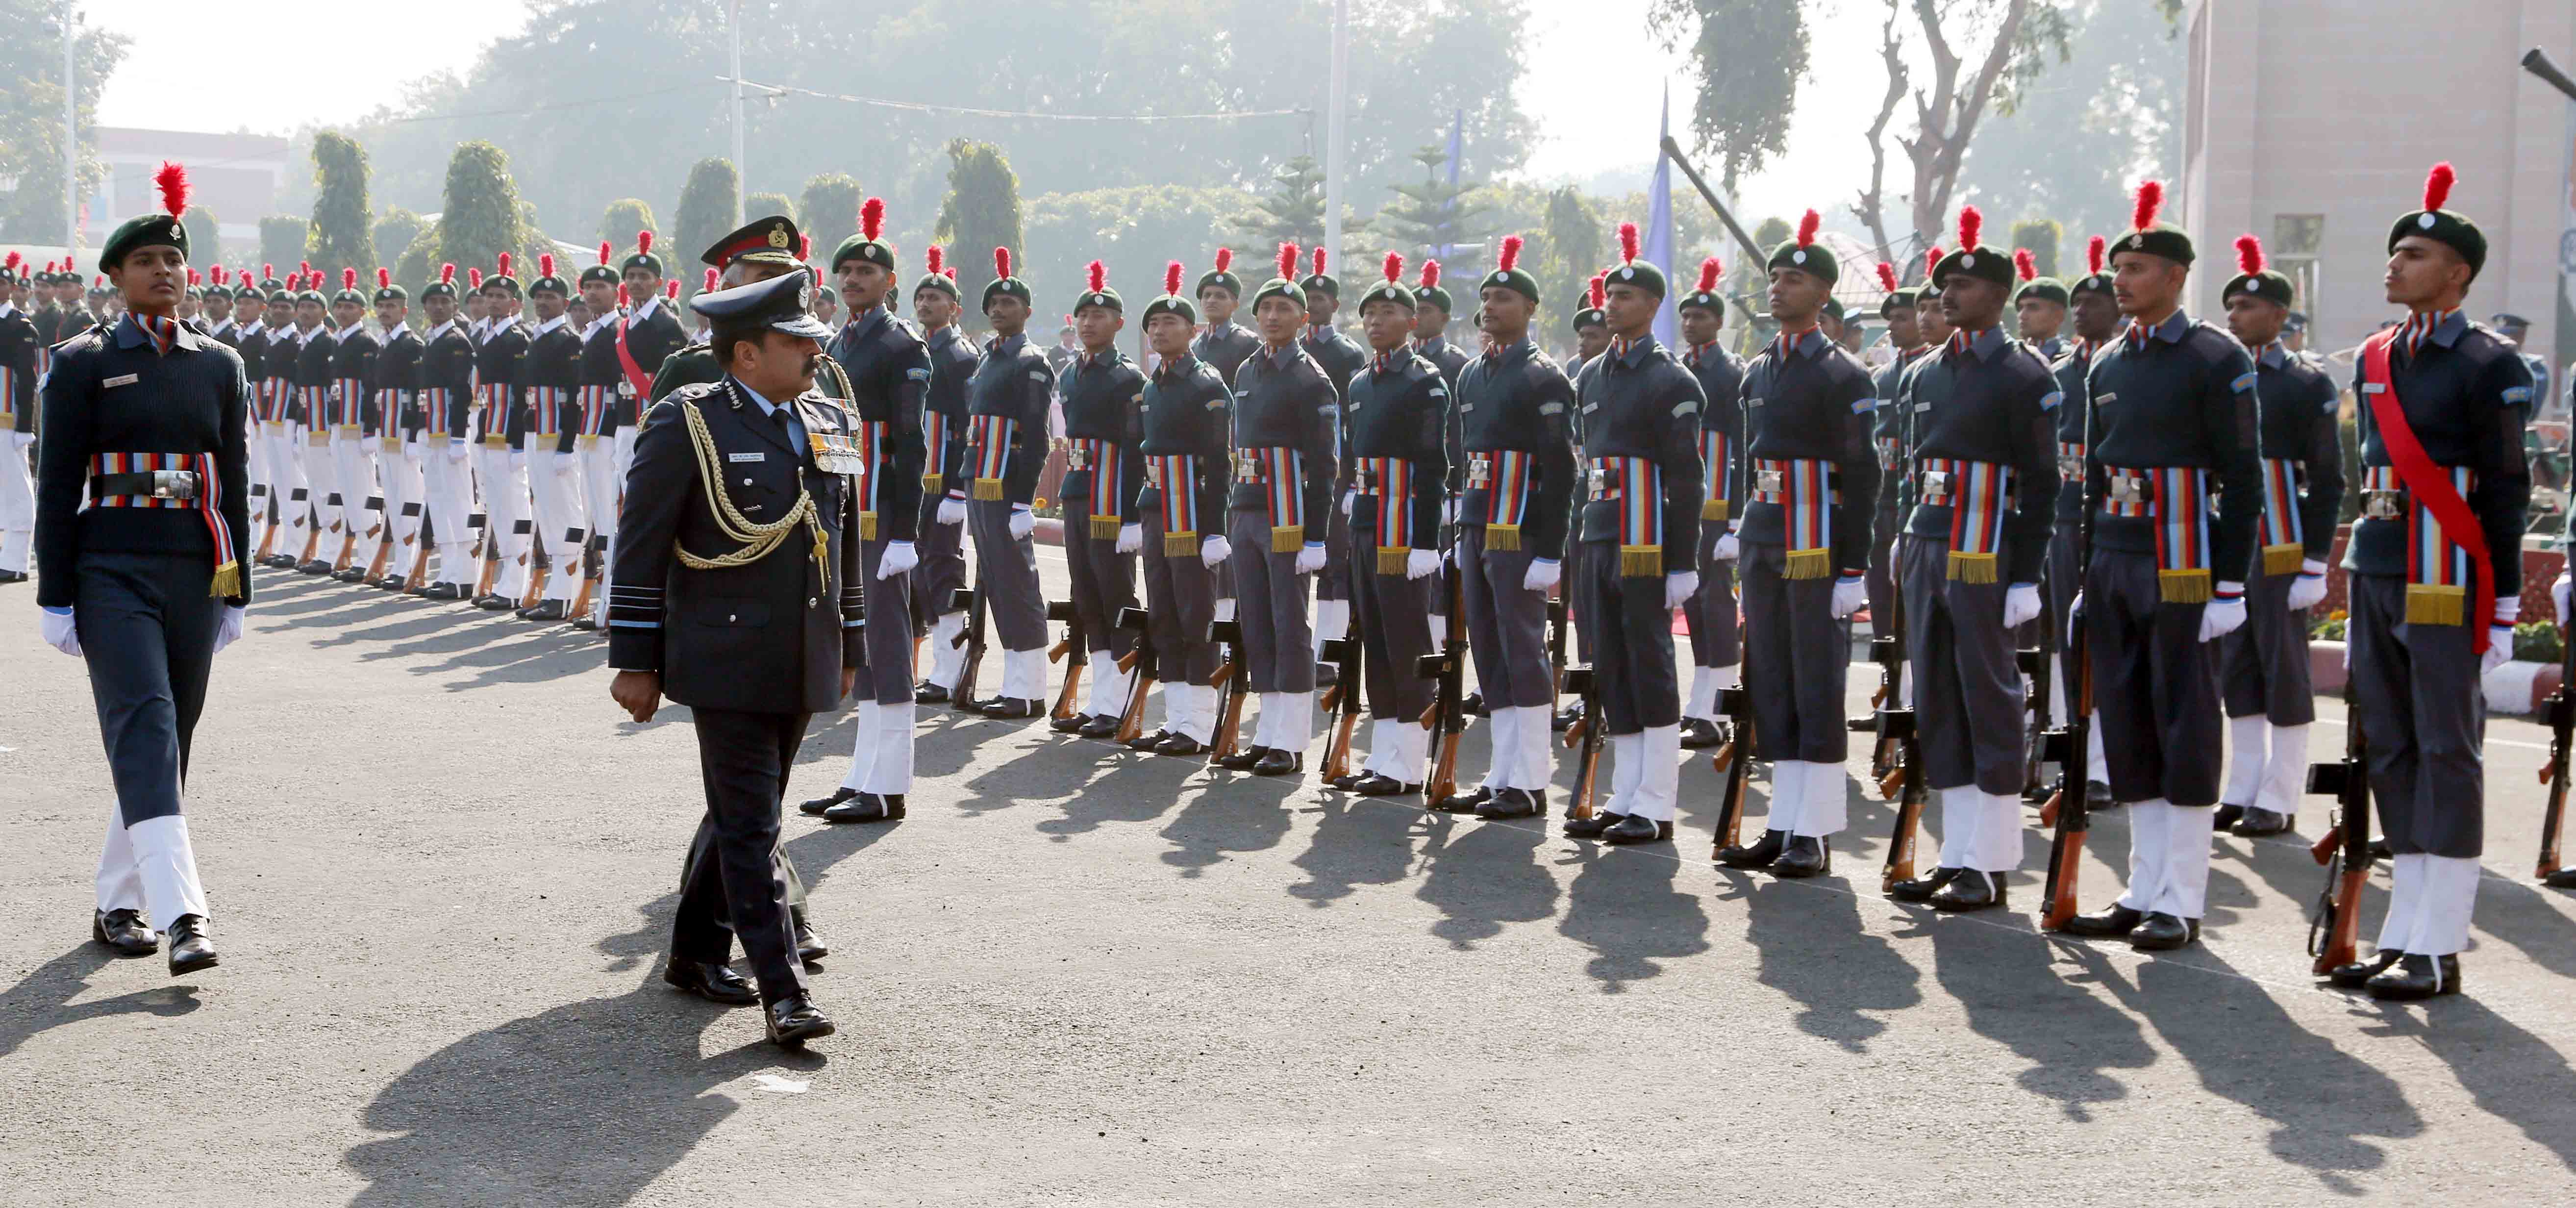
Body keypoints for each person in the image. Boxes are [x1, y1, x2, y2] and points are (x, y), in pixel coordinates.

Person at [606, 268, 854, 1047]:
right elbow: (641, 543)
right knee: (752, 824)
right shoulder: (689, 423)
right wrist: (635, 659)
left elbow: (840, 538)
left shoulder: (824, 417)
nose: (815, 351)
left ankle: (691, 950)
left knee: (747, 812)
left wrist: (849, 634)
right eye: (796, 341)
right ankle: (785, 991)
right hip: (725, 650)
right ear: (747, 354)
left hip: (802, 646)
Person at [33, 164, 247, 974]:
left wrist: (238, 585)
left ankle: (117, 899)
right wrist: (56, 593)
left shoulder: (219, 365)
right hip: (109, 567)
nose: (166, 271)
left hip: (194, 570)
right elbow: (57, 486)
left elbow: (235, 479)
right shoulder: (83, 362)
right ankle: (183, 911)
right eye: (147, 260)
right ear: (118, 278)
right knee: (147, 725)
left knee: (169, 740)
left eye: (175, 260)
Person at [2329, 165, 2531, 997]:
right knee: (2392, 742)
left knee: (2449, 747)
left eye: (2412, 254)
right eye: (2392, 253)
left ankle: (2440, 940)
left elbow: (2509, 486)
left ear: (2457, 272)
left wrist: (2509, 601)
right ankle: (2403, 924)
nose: (2394, 264)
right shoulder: (2377, 356)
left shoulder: (2491, 364)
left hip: (2449, 572)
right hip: (2378, 564)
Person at [2059, 181, 2262, 953]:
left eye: (2136, 267)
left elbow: (2241, 477)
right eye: (2117, 267)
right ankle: (2142, 888)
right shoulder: (2106, 361)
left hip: (2180, 564)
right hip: (2113, 558)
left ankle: (2180, 897)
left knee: (2182, 726)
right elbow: (2090, 480)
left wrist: (2230, 583)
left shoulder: (2213, 356)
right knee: (2129, 721)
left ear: (2175, 276)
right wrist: (2084, 576)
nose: (2120, 279)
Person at [1880, 207, 2060, 911]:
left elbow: (2042, 483)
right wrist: (1902, 532)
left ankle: (1988, 862)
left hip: (1985, 550)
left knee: (1985, 696)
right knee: (1936, 698)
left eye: (1964, 285)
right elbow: (1906, 469)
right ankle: (1954, 853)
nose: (1947, 296)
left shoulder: (2023, 375)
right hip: (1928, 543)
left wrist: (2024, 575)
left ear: (1999, 295)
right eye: (1941, 285)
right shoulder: (1923, 373)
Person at [1714, 211, 1877, 870]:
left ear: (1823, 294)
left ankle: (1812, 831)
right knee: (1771, 679)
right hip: (1764, 533)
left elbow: (1863, 475)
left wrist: (1852, 568)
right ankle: (1781, 822)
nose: (1777, 288)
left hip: (1815, 540)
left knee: (1815, 680)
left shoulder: (1843, 375)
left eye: (1793, 279)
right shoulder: (1758, 370)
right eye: (1774, 278)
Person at [1565, 223, 1707, 845]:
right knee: (1610, 665)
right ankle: (1623, 795)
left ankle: (1654, 801)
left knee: (1650, 664)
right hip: (1600, 533)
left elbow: (1686, 478)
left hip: (1647, 539)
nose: (1612, 305)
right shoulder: (1592, 375)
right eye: (1609, 296)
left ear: (1653, 306)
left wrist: (1682, 561)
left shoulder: (1672, 380)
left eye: (1626, 298)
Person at [801, 199, 933, 823]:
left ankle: (889, 784)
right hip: (848, 510)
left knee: (886, 644)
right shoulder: (840, 340)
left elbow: (911, 443)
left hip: (883, 513)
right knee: (859, 644)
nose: (853, 280)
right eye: (846, 271)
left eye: (866, 272)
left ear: (890, 283)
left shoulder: (901, 343)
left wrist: (906, 531)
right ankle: (862, 774)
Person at [1434, 238, 1576, 817]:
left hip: (1518, 532)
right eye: (1487, 297)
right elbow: (1465, 456)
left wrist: (1550, 549)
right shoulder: (1472, 374)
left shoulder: (1542, 377)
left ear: (1530, 309)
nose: (1491, 306)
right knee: (1488, 653)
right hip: (1478, 526)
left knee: (1522, 650)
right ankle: (1500, 774)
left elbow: (1560, 468)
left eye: (1505, 298)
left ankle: (1530, 778)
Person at [2213, 236, 2341, 840]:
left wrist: (2315, 561)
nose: (2234, 316)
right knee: (2236, 666)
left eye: (2246, 306)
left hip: (2281, 546)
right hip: (2226, 543)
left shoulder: (2305, 383)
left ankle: (2281, 792)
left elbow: (2327, 476)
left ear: (2279, 317)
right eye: (2230, 305)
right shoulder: (2217, 378)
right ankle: (2243, 786)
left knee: (2283, 667)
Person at [1210, 245, 1338, 777]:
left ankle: (1290, 738)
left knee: (1289, 623)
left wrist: (1314, 535)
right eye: (1264, 309)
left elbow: (1324, 464)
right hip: (1245, 509)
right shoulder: (1247, 369)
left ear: (1303, 318)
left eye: (1283, 309)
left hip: (1286, 515)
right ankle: (1264, 731)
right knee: (1256, 622)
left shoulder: (1311, 379)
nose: (1271, 316)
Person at [1328, 252, 1449, 794]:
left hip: (1404, 522)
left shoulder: (1423, 381)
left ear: (1411, 319)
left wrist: (1426, 540)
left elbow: (1432, 463)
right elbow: (1353, 453)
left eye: (1388, 311)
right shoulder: (1359, 382)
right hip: (1368, 519)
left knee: (1404, 637)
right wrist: (1352, 497)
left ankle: (1407, 762)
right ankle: (1383, 756)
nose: (1376, 321)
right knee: (1373, 637)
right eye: (1369, 313)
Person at [1127, 265, 1234, 755]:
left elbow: (1219, 462)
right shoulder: (1153, 385)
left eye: (1169, 324)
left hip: (1190, 513)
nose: (1158, 331)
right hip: (1156, 510)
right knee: (1163, 617)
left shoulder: (1206, 384)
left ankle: (1200, 723)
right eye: (1152, 325)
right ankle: (1176, 719)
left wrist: (1214, 529)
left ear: (1192, 332)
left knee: (1196, 616)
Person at [1050, 260, 1149, 738]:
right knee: (1086, 594)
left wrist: (1132, 515)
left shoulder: (1126, 378)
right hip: (1077, 491)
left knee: (1115, 592)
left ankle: (1120, 697)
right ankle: (1101, 695)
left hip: (1112, 497)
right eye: (1083, 315)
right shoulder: (1069, 375)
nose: (1089, 322)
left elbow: (1135, 448)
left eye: (1100, 315)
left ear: (1119, 325)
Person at [960, 248, 1057, 718]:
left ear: (1027, 312)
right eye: (994, 304)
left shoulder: (1029, 361)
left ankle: (1028, 690)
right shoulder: (988, 357)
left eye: (1010, 304)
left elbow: (1036, 436)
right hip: (979, 479)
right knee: (996, 583)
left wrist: (1023, 502)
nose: (1000, 310)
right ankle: (1013, 684)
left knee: (1017, 584)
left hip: (1005, 483)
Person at [2047, 240, 2119, 810]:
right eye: (2076, 302)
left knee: (2106, 649)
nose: (2082, 310)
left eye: (2093, 302)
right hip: (2060, 520)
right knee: (2061, 647)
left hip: (2113, 525)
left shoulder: (2123, 365)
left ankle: (2104, 764)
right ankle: (2066, 754)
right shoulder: (2055, 374)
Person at [1675, 256, 1746, 751]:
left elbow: (1744, 447)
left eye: (1700, 317)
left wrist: (1738, 517)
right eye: (1685, 317)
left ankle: (1719, 707)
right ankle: (1701, 701)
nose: (1690, 324)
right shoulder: (1678, 371)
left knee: (1716, 605)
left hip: (1718, 508)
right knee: (1694, 609)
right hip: (1683, 506)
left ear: (1718, 323)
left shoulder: (1731, 373)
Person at [908, 246, 979, 705]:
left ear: (954, 308)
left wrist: (957, 489)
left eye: (936, 298)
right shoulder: (916, 350)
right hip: (915, 481)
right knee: (919, 573)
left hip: (943, 481)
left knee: (942, 569)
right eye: (921, 297)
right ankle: (935, 666)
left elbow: (969, 428)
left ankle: (951, 668)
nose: (926, 304)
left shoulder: (960, 356)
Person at [1301, 250, 1367, 681]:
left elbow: (1356, 419)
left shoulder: (1347, 353)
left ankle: (1330, 652)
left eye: (1321, 299)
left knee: (1333, 565)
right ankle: (1298, 648)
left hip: (1335, 466)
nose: (1314, 304)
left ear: (1335, 306)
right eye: (1308, 297)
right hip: (1292, 470)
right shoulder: (1290, 349)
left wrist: (1352, 480)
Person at [513, 256, 587, 620]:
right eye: (538, 297)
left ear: (564, 302)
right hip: (535, 430)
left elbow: (575, 397)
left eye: (550, 297)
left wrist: (566, 446)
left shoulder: (567, 340)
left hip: (556, 430)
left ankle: (565, 591)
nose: (543, 302)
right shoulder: (537, 337)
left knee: (563, 511)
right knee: (545, 509)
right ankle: (555, 587)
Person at [1862, 262, 1926, 653]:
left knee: (1912, 599)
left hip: (1915, 500)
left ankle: (1912, 690)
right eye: (1891, 320)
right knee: (1881, 597)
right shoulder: (1880, 377)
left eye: (1903, 318)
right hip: (1881, 501)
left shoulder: (1930, 370)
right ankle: (1889, 689)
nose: (1895, 327)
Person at [470, 259, 534, 608]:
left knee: (512, 506)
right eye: (489, 296)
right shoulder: (484, 335)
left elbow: (523, 393)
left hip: (508, 434)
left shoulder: (516, 338)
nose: (493, 302)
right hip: (486, 430)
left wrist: (520, 443)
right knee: (495, 504)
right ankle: (505, 580)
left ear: (515, 304)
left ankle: (515, 584)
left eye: (501, 296)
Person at [414, 266, 480, 601]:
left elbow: (462, 391)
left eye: (445, 302)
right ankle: (450, 570)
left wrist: (457, 436)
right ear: (424, 307)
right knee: (439, 500)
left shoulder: (456, 341)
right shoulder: (432, 338)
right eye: (432, 302)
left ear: (455, 307)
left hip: (449, 432)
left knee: (457, 500)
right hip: (431, 428)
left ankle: (464, 574)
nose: (438, 307)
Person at [366, 269, 426, 590]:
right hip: (385, 427)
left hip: (402, 429)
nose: (385, 311)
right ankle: (400, 563)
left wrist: (416, 434)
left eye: (392, 306)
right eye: (382, 306)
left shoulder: (410, 344)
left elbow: (419, 394)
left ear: (404, 310)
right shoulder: (385, 343)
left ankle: (410, 563)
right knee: (392, 496)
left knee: (408, 498)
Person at [0, 258, 37, 584]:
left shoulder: (18, 325)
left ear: (11, 288)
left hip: (7, 420)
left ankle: (15, 563)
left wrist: (25, 427)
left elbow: (27, 379)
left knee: (16, 491)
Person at [1192, 249, 1261, 387]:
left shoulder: (1248, 343)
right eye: (1207, 296)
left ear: (1235, 305)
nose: (1211, 301)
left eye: (1220, 296)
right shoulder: (1195, 347)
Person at [2011, 252, 2069, 362]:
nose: (2022, 316)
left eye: (2033, 308)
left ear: (2059, 316)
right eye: (2020, 308)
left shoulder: (2071, 360)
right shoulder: (2010, 356)